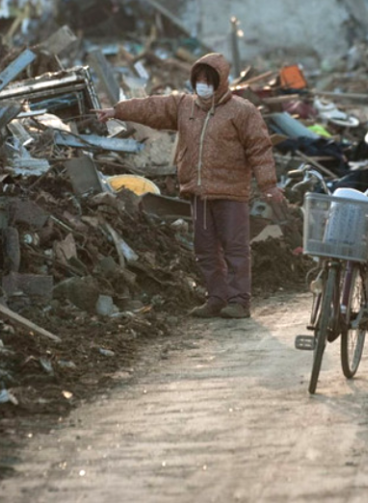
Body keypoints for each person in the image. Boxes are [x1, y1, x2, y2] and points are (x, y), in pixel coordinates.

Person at [94, 52, 285, 319]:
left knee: (235, 248)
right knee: (205, 248)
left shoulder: (242, 111)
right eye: (199, 79)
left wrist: (269, 185)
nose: (203, 84)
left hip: (230, 192)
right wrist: (117, 110)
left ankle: (239, 301)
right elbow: (152, 107)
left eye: (209, 79)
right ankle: (217, 297)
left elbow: (260, 149)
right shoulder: (185, 106)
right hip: (197, 192)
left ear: (221, 81)